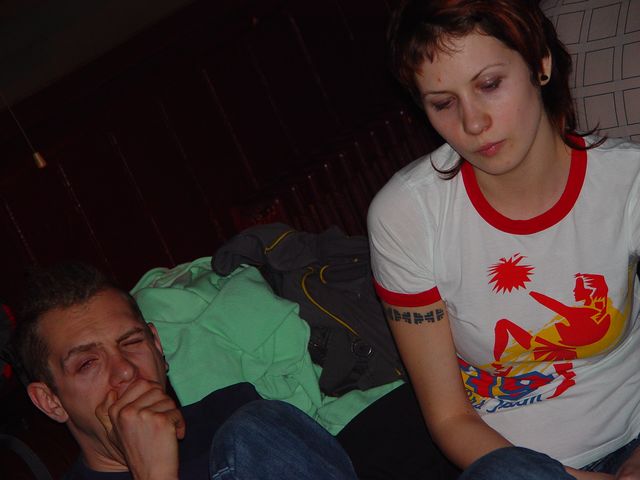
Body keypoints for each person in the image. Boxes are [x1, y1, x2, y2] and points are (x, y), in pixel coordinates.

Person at [367, 1, 640, 479]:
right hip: (510, 465)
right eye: (443, 103)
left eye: (489, 84)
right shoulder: (407, 216)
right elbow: (449, 418)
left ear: (540, 63)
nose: (473, 123)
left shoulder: (629, 182)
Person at [11, 262, 357, 479]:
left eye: (131, 342)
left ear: (158, 347)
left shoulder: (234, 413)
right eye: (88, 363)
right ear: (49, 401)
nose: (125, 371)